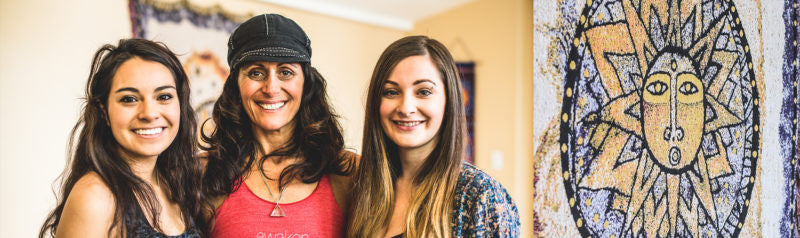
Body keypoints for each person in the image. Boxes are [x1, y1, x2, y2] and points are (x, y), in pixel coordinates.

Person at [346, 35, 520, 237]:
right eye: (392, 92)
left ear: (449, 100)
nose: (406, 107)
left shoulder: (480, 195)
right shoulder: (364, 188)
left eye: (424, 92)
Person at [202, 14, 356, 237]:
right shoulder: (205, 173)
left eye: (286, 72)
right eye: (256, 72)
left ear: (306, 82)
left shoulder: (348, 171)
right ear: (236, 85)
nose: (271, 88)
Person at [39, 39, 207, 237]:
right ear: (104, 111)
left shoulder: (175, 183)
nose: (149, 113)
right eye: (129, 99)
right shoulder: (95, 197)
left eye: (164, 97)